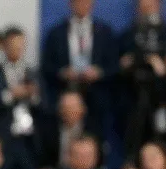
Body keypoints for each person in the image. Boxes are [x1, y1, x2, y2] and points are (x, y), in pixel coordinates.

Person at [41, 0, 118, 137]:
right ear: (70, 4)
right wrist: (62, 72)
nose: (82, 5)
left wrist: (99, 73)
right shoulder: (56, 33)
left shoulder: (105, 32)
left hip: (95, 99)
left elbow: (114, 66)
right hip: (65, 95)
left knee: (93, 140)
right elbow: (46, 66)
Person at [118, 0, 166, 155]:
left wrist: (162, 68)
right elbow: (119, 66)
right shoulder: (128, 36)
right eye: (142, 3)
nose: (146, 6)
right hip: (133, 99)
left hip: (165, 100)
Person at [0, 28, 42, 169]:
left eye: (20, 46)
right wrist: (10, 95)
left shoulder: (33, 73)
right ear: (3, 46)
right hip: (3, 139)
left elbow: (43, 106)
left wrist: (32, 95)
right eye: (12, 46)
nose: (16, 50)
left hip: (28, 140)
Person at [40, 91, 102, 169]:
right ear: (59, 110)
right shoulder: (48, 129)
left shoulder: (94, 129)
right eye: (65, 107)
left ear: (83, 109)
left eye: (73, 107)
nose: (68, 111)